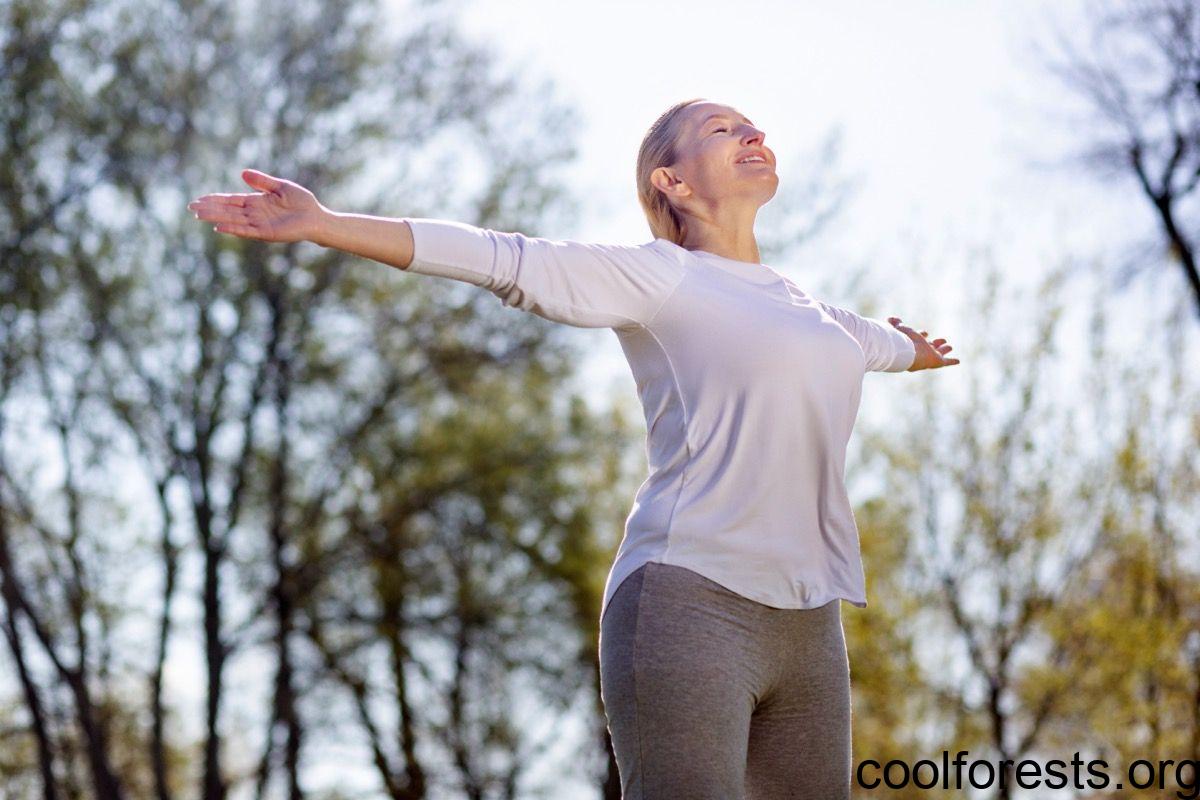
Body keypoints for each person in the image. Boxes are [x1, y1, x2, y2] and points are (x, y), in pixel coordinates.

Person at [188, 97, 959, 800]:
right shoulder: (660, 277)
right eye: (722, 130)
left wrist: (913, 349)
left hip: (811, 622)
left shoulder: (813, 312)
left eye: (753, 124)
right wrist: (325, 223)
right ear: (673, 182)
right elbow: (502, 258)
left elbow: (875, 343)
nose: (754, 132)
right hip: (692, 599)